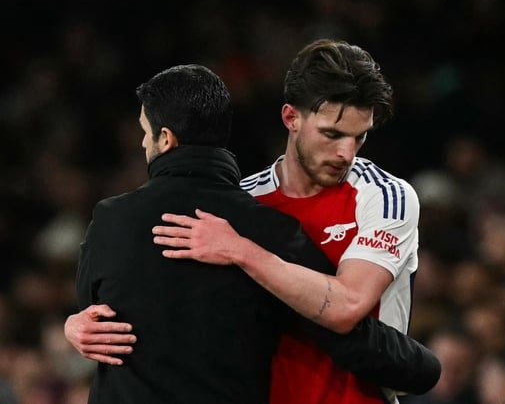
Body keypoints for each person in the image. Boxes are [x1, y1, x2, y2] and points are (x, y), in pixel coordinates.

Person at [66, 38, 425, 404]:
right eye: (332, 135)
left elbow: (347, 307)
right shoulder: (245, 200)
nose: (346, 153)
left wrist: (242, 251)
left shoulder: (385, 197)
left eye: (358, 137)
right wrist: (80, 325)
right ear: (291, 118)